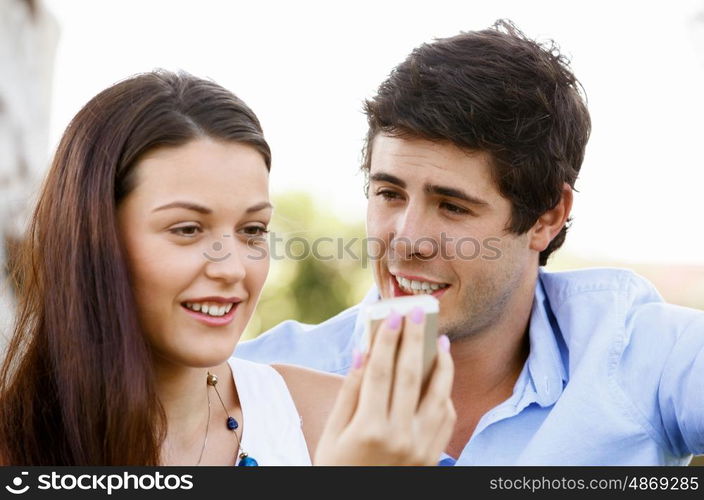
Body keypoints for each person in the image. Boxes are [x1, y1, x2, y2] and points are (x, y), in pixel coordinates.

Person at [236, 20, 704, 465]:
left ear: (547, 216)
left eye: (453, 206)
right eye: (389, 194)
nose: (406, 241)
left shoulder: (639, 355)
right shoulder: (257, 380)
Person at [0, 70, 455, 466]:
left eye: (253, 230)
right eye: (187, 229)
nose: (232, 268)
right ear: (94, 239)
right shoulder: (15, 441)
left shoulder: (339, 421)